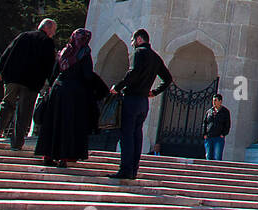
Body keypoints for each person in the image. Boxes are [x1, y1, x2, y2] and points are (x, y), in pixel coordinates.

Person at [108, 29, 172, 180]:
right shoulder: (155, 57)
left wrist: (117, 87)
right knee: (137, 136)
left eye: (133, 40)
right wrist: (154, 92)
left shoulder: (139, 53)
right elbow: (168, 79)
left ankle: (125, 169)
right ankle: (133, 171)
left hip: (132, 99)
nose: (132, 44)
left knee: (127, 136)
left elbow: (133, 72)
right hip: (143, 102)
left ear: (138, 39)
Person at [0, 19, 58, 149]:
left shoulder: (24, 36)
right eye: (53, 30)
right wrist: (51, 82)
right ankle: (16, 142)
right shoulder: (47, 43)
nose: (53, 33)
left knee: (6, 102)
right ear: (48, 29)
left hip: (13, 77)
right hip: (31, 82)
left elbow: (8, 52)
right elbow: (49, 65)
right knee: (24, 112)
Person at [34, 28, 97, 168]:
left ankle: (48, 155)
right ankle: (64, 157)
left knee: (53, 122)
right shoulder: (84, 53)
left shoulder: (64, 51)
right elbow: (87, 75)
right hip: (74, 93)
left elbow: (54, 73)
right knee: (68, 124)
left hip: (57, 90)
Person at [201, 94, 230, 161]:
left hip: (219, 138)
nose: (213, 102)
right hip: (209, 137)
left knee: (217, 156)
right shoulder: (209, 111)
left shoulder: (225, 112)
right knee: (208, 156)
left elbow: (227, 124)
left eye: (215, 100)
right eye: (213, 100)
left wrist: (223, 134)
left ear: (220, 101)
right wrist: (204, 134)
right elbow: (205, 123)